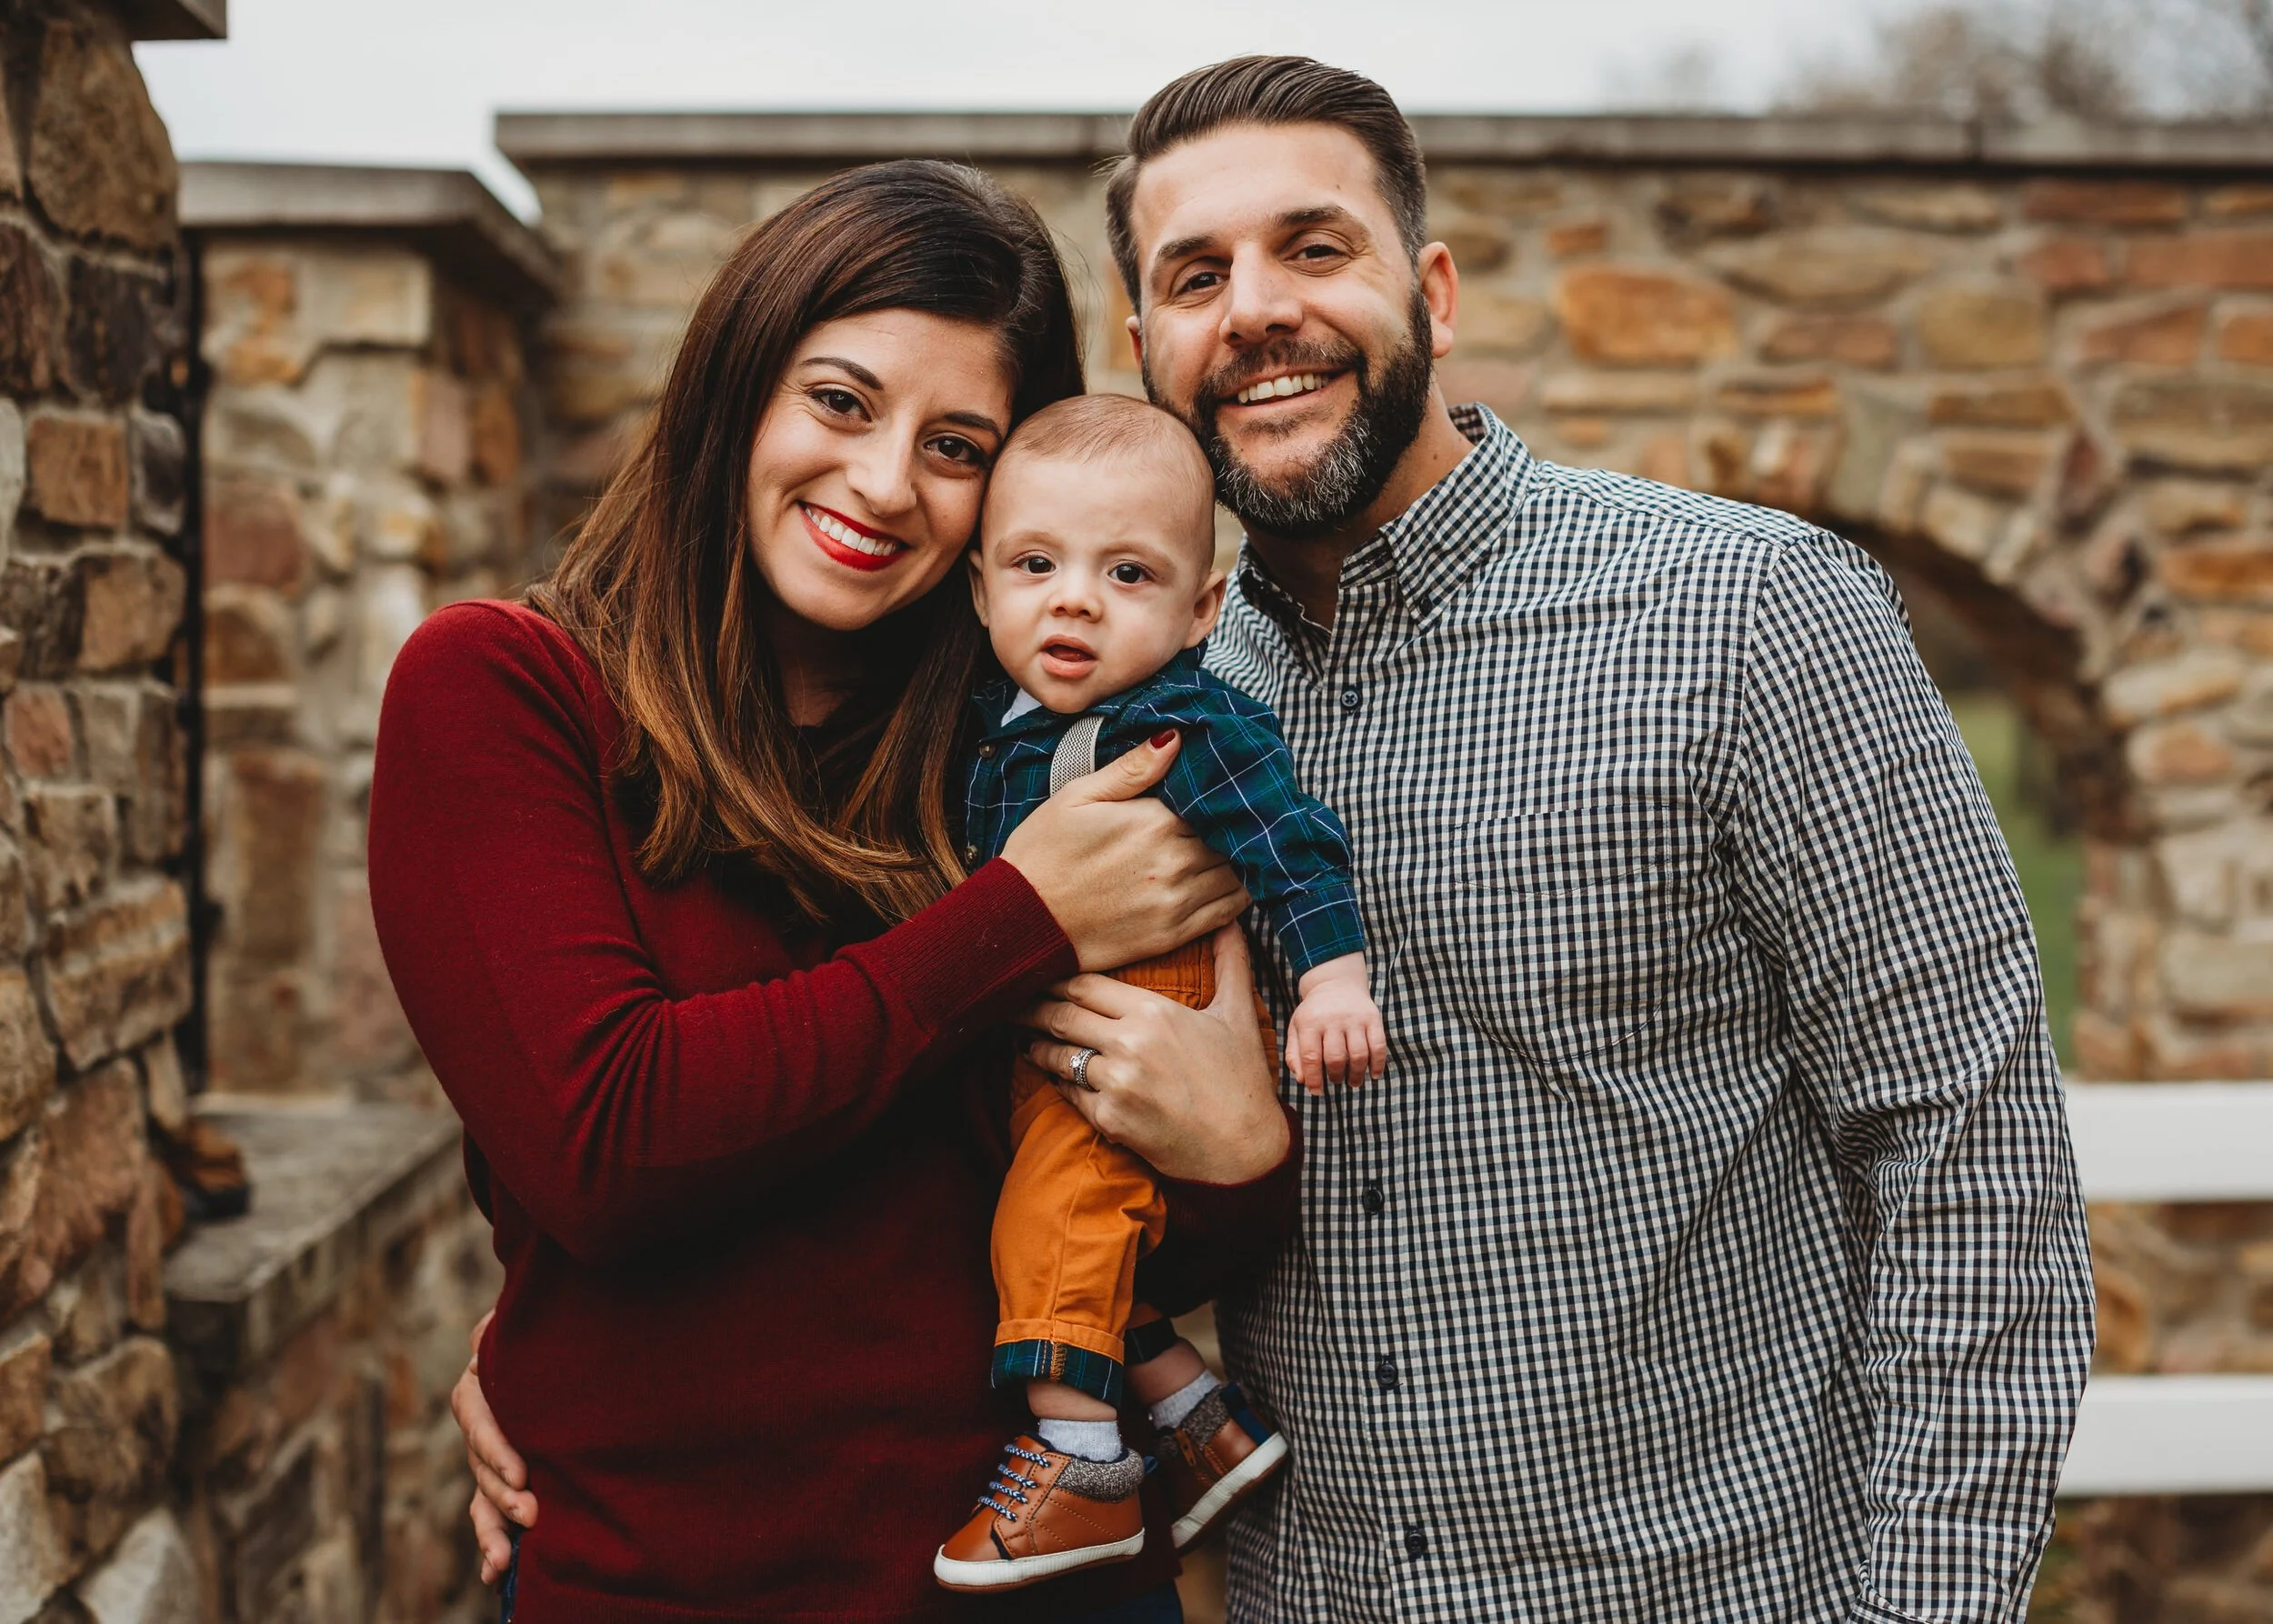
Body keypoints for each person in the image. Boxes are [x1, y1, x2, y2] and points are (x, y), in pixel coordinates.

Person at [458, 56, 2098, 1624]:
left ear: (1434, 292)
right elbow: (880, 1102)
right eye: (1194, 276)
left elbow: (1972, 1160)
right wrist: (553, 1344)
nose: (1255, 309)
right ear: (1146, 350)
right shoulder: (1102, 708)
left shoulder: (1745, 616)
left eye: (1315, 247)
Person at [374, 159, 1300, 1624]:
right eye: (842, 401)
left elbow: (1101, 1216)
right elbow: (608, 1147)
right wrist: (1016, 922)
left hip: (1031, 1584)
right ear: (739, 380)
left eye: (955, 444)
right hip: (664, 1585)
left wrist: (1243, 1153)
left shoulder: (1019, 758)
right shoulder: (508, 693)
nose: (880, 483)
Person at [936, 394, 1383, 1592]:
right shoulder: (995, 725)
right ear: (981, 589)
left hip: (1150, 997)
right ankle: (1198, 1422)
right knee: (1056, 1238)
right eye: (1036, 564)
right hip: (1051, 1024)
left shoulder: (1188, 722)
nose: (1073, 597)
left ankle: (1083, 1462)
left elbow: (1291, 841)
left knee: (1059, 1219)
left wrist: (1334, 976)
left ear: (1199, 610)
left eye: (1125, 572)